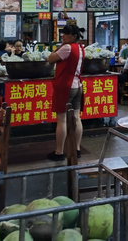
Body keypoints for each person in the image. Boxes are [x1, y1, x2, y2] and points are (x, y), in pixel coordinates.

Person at [47, 24, 84, 162]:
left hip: (65, 87)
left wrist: (61, 45)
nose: (63, 36)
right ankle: (76, 149)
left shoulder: (67, 48)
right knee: (76, 118)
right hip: (78, 85)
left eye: (66, 34)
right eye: (63, 33)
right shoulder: (80, 48)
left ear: (74, 36)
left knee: (62, 120)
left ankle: (59, 152)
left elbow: (50, 58)